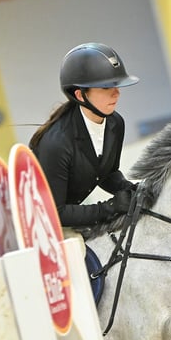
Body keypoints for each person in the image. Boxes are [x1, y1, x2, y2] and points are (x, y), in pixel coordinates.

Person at [29, 42, 139, 229]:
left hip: (70, 221)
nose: (117, 93)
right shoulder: (57, 143)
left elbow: (105, 173)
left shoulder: (115, 123)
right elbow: (56, 212)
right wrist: (110, 207)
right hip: (40, 229)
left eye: (117, 85)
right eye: (106, 88)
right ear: (80, 95)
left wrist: (129, 189)